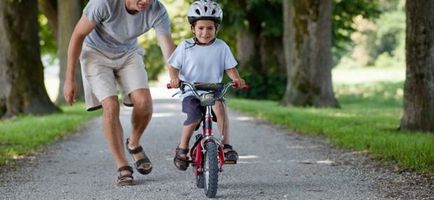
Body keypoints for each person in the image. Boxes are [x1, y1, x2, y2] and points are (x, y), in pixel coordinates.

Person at [63, 0, 176, 186]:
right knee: (110, 105)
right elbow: (78, 35)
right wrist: (69, 79)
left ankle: (133, 143)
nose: (146, 1)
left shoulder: (156, 9)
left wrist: (174, 75)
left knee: (144, 102)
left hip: (128, 54)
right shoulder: (103, 3)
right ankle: (122, 165)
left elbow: (166, 45)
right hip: (95, 54)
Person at [168, 0, 246, 171]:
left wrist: (237, 79)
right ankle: (182, 148)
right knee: (194, 116)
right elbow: (173, 66)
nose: (205, 32)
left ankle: (226, 146)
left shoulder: (221, 47)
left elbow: (230, 68)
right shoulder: (185, 46)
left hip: (213, 89)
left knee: (220, 107)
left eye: (210, 28)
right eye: (200, 28)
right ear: (193, 29)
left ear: (216, 29)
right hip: (191, 90)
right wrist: (174, 79)